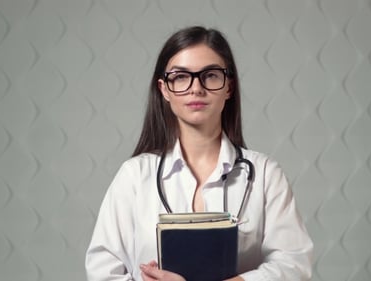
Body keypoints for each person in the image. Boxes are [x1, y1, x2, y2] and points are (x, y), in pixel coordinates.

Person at [85, 26, 313, 281]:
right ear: (164, 90)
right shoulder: (135, 176)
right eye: (181, 77)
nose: (196, 88)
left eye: (211, 75)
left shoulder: (264, 174)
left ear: (229, 87)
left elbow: (294, 264)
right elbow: (102, 272)